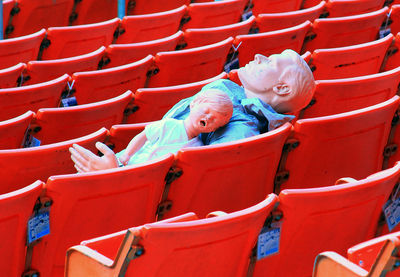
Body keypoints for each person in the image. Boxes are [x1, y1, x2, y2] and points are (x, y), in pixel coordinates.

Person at [69, 49, 315, 172]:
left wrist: (116, 172)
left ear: (281, 88)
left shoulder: (240, 132)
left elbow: (186, 178)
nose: (260, 56)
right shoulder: (236, 100)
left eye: (271, 61)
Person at [70, 89, 233, 172]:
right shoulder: (168, 125)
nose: (210, 118)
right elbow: (143, 136)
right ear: (194, 104)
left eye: (216, 121)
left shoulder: (197, 148)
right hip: (134, 164)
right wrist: (127, 155)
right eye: (207, 111)